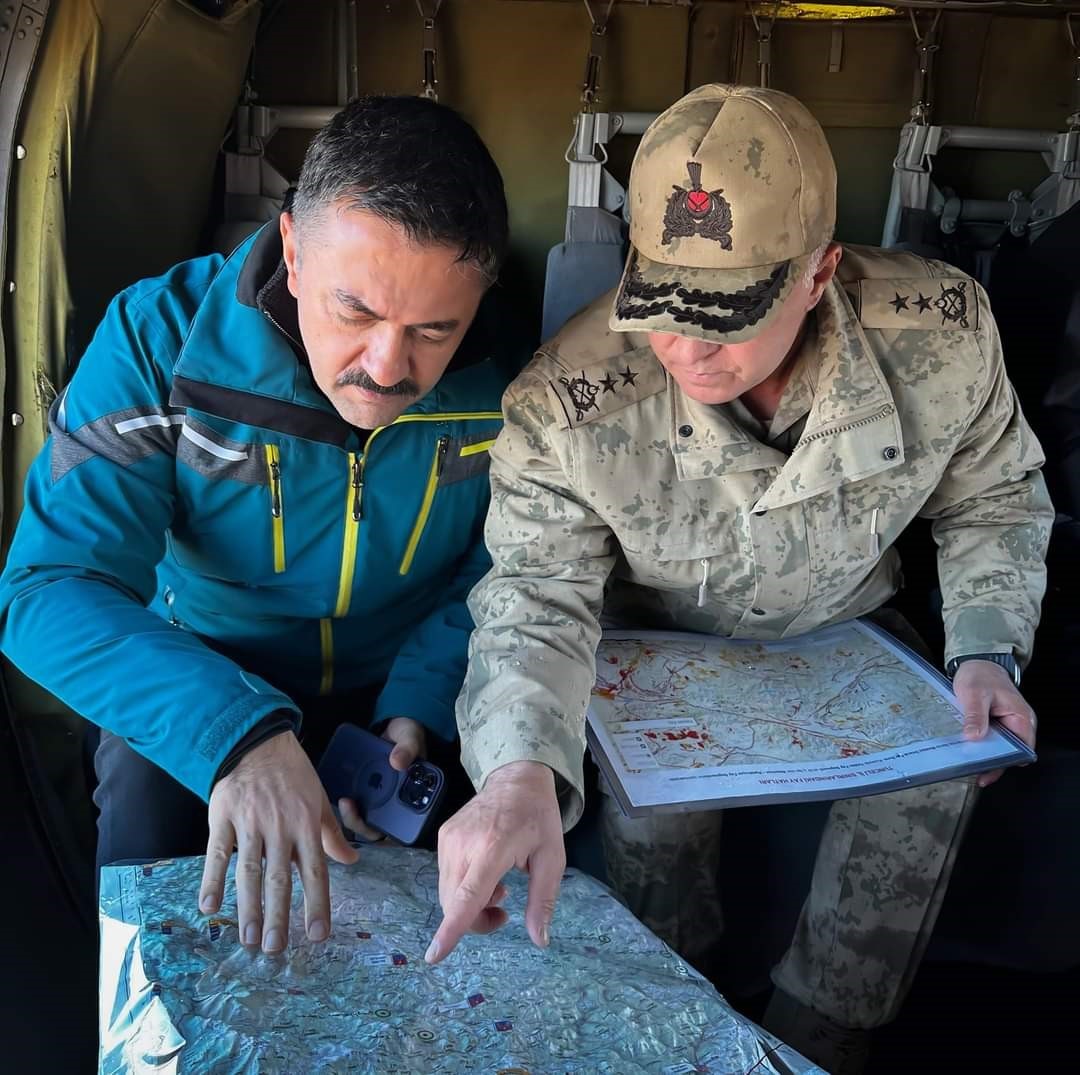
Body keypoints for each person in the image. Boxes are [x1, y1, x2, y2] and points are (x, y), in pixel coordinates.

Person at [429, 85, 1051, 1073]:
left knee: (938, 779)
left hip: (849, 624)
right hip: (660, 641)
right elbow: (533, 592)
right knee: (651, 815)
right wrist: (517, 770)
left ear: (819, 273)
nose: (687, 349)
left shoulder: (941, 331)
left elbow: (995, 496)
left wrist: (983, 645)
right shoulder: (563, 402)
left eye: (726, 316)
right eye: (662, 309)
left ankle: (821, 1043)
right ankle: (678, 1026)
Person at [0, 95, 512, 958]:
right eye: (355, 313)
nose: (388, 370)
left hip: (408, 696)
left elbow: (500, 567)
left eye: (434, 330)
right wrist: (236, 735)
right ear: (293, 253)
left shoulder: (513, 378)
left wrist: (420, 705)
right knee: (144, 811)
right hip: (199, 676)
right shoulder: (158, 341)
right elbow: (49, 590)